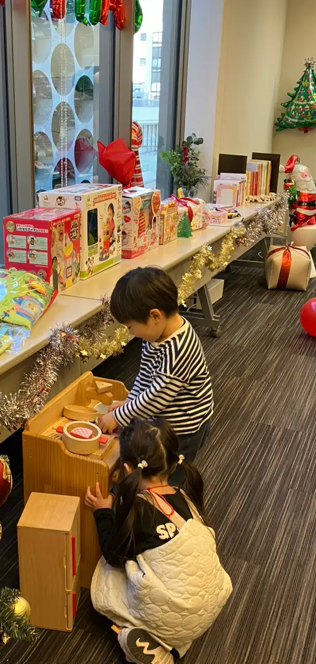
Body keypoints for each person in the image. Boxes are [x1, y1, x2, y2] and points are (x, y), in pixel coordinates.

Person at [86, 418, 232, 664]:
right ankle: (173, 643)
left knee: (109, 582)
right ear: (172, 465)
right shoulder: (185, 495)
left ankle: (155, 642)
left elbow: (113, 554)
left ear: (128, 470)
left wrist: (103, 511)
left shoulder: (138, 509)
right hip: (211, 604)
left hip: (175, 614)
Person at [98, 266, 213, 479]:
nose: (131, 333)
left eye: (130, 327)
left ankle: (170, 498)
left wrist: (119, 416)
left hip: (183, 430)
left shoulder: (177, 349)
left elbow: (156, 398)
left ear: (155, 316)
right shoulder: (157, 335)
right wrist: (130, 402)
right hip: (167, 416)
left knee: (170, 478)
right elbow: (145, 376)